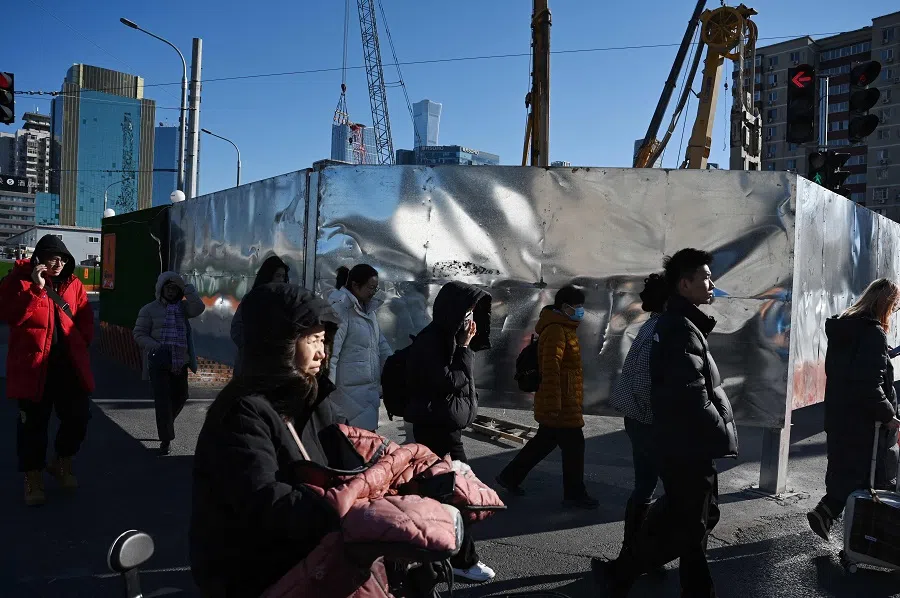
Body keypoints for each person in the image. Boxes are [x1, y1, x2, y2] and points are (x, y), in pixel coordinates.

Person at [190, 283, 347, 596]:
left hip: (306, 562)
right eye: (314, 340)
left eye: (323, 340)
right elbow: (267, 503)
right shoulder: (241, 412)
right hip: (251, 577)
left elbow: (345, 462)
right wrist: (345, 509)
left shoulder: (310, 399)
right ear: (281, 344)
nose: (322, 352)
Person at [599, 248, 738, 598]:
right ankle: (630, 570)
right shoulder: (675, 328)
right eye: (706, 277)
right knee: (691, 519)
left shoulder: (675, 325)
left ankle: (629, 567)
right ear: (684, 283)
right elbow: (689, 396)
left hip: (661, 433)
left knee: (693, 517)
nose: (712, 284)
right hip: (679, 441)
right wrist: (719, 433)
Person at [405, 280, 495, 583]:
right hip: (438, 430)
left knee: (440, 493)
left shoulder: (446, 336)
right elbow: (450, 382)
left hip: (444, 428)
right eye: (467, 309)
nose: (470, 316)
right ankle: (463, 560)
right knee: (458, 495)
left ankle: (431, 550)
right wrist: (464, 349)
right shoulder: (433, 340)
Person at [0, 234, 94, 506]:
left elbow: (85, 315)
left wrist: (82, 339)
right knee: (33, 426)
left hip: (69, 366)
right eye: (53, 257)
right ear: (39, 258)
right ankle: (33, 477)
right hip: (33, 367)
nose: (59, 263)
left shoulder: (73, 283)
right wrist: (37, 288)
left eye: (63, 258)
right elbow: (11, 315)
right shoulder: (18, 280)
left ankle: (61, 462)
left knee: (78, 417)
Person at [807, 278, 900, 541]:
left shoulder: (846, 328)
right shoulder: (873, 333)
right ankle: (864, 538)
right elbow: (868, 384)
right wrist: (888, 414)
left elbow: (851, 370)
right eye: (894, 307)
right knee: (869, 474)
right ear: (885, 304)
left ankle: (826, 514)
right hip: (864, 421)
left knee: (846, 469)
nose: (893, 313)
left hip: (841, 414)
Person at [495, 285, 599, 509]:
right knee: (574, 447)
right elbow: (550, 369)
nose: (581, 311)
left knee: (543, 443)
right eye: (577, 307)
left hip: (564, 399)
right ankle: (574, 495)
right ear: (565, 307)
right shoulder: (556, 330)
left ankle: (510, 476)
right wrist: (554, 404)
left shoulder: (564, 327)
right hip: (561, 402)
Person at [608, 273, 667, 557]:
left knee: (645, 485)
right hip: (651, 422)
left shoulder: (652, 324)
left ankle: (633, 549)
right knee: (668, 489)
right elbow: (644, 381)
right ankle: (639, 551)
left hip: (641, 419)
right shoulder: (662, 328)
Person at [133, 272, 205, 455]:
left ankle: (166, 424)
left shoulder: (183, 308)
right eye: (168, 287)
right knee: (163, 401)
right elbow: (139, 334)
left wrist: (188, 287)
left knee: (181, 396)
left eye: (175, 288)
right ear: (161, 288)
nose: (171, 292)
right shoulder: (148, 310)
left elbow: (199, 308)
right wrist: (156, 347)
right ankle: (166, 439)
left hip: (180, 361)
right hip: (159, 361)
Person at [327, 264, 393, 431]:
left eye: (375, 288)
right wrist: (325, 393)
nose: (373, 292)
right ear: (355, 285)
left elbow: (380, 344)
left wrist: (394, 367)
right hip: (346, 397)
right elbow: (330, 354)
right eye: (371, 287)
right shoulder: (341, 309)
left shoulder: (368, 311)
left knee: (366, 448)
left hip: (367, 394)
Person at [231, 255, 290, 376]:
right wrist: (252, 346)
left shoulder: (287, 302)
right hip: (251, 363)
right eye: (277, 275)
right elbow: (237, 328)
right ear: (268, 276)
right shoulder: (252, 299)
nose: (281, 280)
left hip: (276, 365)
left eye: (283, 276)